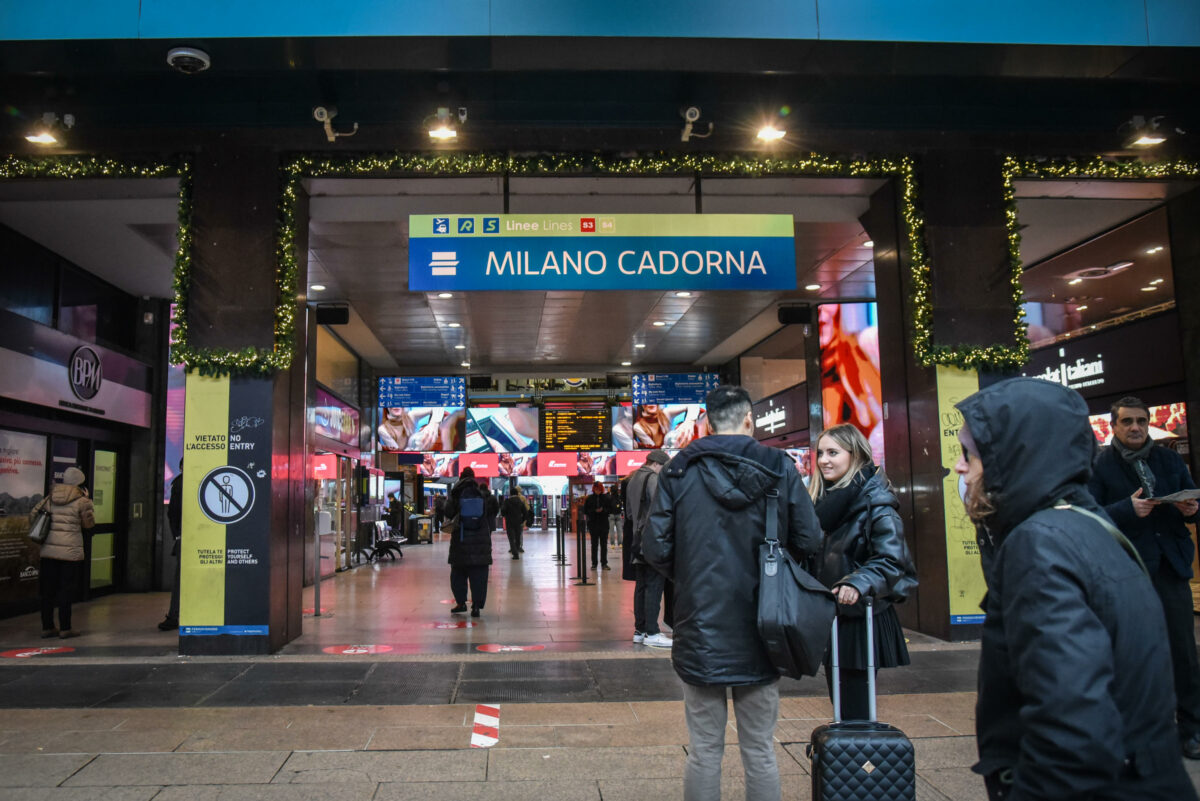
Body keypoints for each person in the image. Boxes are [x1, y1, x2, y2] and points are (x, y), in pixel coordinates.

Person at [954, 377, 1197, 801]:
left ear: (1012, 457)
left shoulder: (1040, 544)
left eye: (969, 455)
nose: (960, 468)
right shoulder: (1083, 526)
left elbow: (1071, 723)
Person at [644, 385, 823, 801]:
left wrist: (689, 575)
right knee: (760, 750)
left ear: (706, 421)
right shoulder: (779, 465)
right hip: (766, 622)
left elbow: (654, 547)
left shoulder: (677, 470)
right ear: (749, 420)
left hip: (699, 622)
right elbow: (809, 538)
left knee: (704, 749)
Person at [1087, 395, 1200, 760]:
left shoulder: (1167, 458)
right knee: (1131, 654)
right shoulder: (1100, 466)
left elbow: (1193, 505)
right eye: (1127, 422)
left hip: (1170, 568)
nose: (1135, 428)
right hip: (1127, 572)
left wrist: (1191, 507)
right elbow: (1089, 516)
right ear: (1114, 426)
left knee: (1183, 653)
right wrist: (1127, 509)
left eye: (1140, 421)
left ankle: (1192, 729)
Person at [808, 424, 916, 720]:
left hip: (861, 618)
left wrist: (857, 582)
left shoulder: (876, 504)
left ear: (855, 455)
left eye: (833, 452)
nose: (824, 460)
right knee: (842, 703)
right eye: (821, 453)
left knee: (855, 706)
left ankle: (854, 759)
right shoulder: (826, 502)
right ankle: (845, 756)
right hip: (834, 616)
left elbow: (892, 559)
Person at [32, 466, 94, 639]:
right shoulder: (82, 501)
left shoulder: (50, 498)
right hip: (70, 552)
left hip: (49, 551)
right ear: (79, 483)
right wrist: (88, 501)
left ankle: (47, 627)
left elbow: (33, 515)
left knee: (48, 591)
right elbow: (88, 524)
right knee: (66, 590)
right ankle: (66, 628)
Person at [627, 448, 672, 647]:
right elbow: (660, 508)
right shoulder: (652, 478)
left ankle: (640, 630)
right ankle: (653, 633)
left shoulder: (632, 479)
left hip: (636, 539)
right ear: (657, 464)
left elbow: (629, 513)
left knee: (641, 585)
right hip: (651, 538)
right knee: (654, 584)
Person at [443, 467, 492, 618]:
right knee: (479, 575)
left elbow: (448, 511)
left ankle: (461, 603)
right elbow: (488, 513)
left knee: (458, 573)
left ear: (461, 477)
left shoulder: (456, 492)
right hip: (480, 538)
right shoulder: (481, 493)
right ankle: (476, 606)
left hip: (461, 537)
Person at [159, 461, 183, 631]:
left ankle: (174, 615)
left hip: (185, 537)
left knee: (181, 579)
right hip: (194, 537)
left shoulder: (179, 483)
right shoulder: (183, 483)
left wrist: (178, 534)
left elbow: (172, 513)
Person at [583, 481, 612, 570]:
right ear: (593, 489)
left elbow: (610, 509)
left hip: (603, 524)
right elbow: (585, 511)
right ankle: (594, 564)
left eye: (599, 489)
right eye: (596, 489)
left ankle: (604, 563)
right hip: (593, 524)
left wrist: (603, 510)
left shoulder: (606, 498)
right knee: (594, 544)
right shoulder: (589, 498)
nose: (597, 491)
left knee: (604, 545)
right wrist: (594, 511)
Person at [500, 486, 528, 559]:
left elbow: (503, 511)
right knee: (518, 537)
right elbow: (525, 512)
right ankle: (517, 549)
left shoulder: (507, 501)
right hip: (518, 522)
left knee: (511, 538)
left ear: (510, 494)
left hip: (509, 522)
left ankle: (515, 553)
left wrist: (505, 515)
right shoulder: (520, 501)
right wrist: (522, 520)